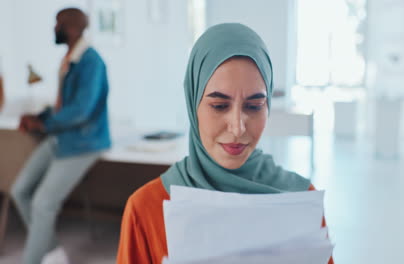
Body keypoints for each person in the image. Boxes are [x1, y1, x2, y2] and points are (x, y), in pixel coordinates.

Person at [116, 23, 333, 264]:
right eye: (219, 106)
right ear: (192, 103)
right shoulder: (147, 208)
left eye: (254, 106)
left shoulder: (300, 200)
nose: (238, 127)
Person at [11, 7, 111, 264]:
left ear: (73, 28)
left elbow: (81, 111)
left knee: (43, 204)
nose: (54, 29)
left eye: (58, 24)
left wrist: (44, 124)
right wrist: (41, 117)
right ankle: (53, 252)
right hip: (61, 137)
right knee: (20, 191)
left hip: (84, 142)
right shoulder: (70, 58)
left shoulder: (91, 61)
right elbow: (64, 106)